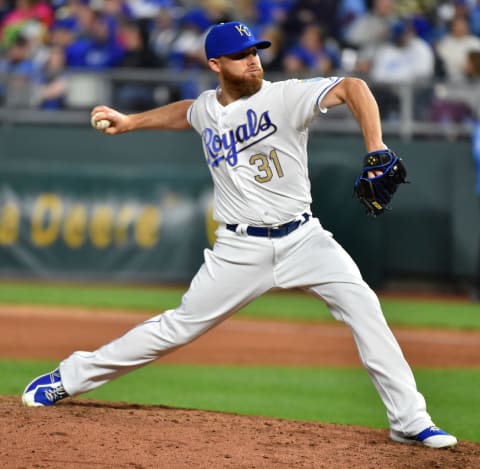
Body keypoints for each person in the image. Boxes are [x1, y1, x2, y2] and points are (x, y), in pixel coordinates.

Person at [22, 21, 457, 449]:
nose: (253, 63)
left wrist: (376, 147)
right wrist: (131, 121)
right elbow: (187, 111)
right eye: (240, 56)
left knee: (366, 310)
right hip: (239, 249)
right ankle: (68, 377)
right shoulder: (208, 109)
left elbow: (354, 87)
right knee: (177, 328)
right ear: (216, 64)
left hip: (305, 240)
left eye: (254, 53)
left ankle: (410, 420)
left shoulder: (285, 96)